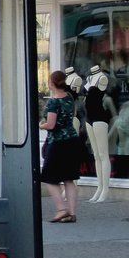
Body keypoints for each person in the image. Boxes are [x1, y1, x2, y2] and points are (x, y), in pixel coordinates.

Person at [40, 69, 82, 222]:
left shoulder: (53, 102)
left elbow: (51, 125)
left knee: (49, 177)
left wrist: (41, 125)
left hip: (58, 142)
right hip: (72, 140)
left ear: (52, 83)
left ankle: (61, 209)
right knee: (69, 178)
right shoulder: (69, 97)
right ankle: (72, 213)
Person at [84, 65, 114, 202]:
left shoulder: (102, 78)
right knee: (96, 154)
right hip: (89, 118)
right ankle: (99, 187)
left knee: (103, 154)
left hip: (99, 117)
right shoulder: (89, 78)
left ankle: (105, 189)